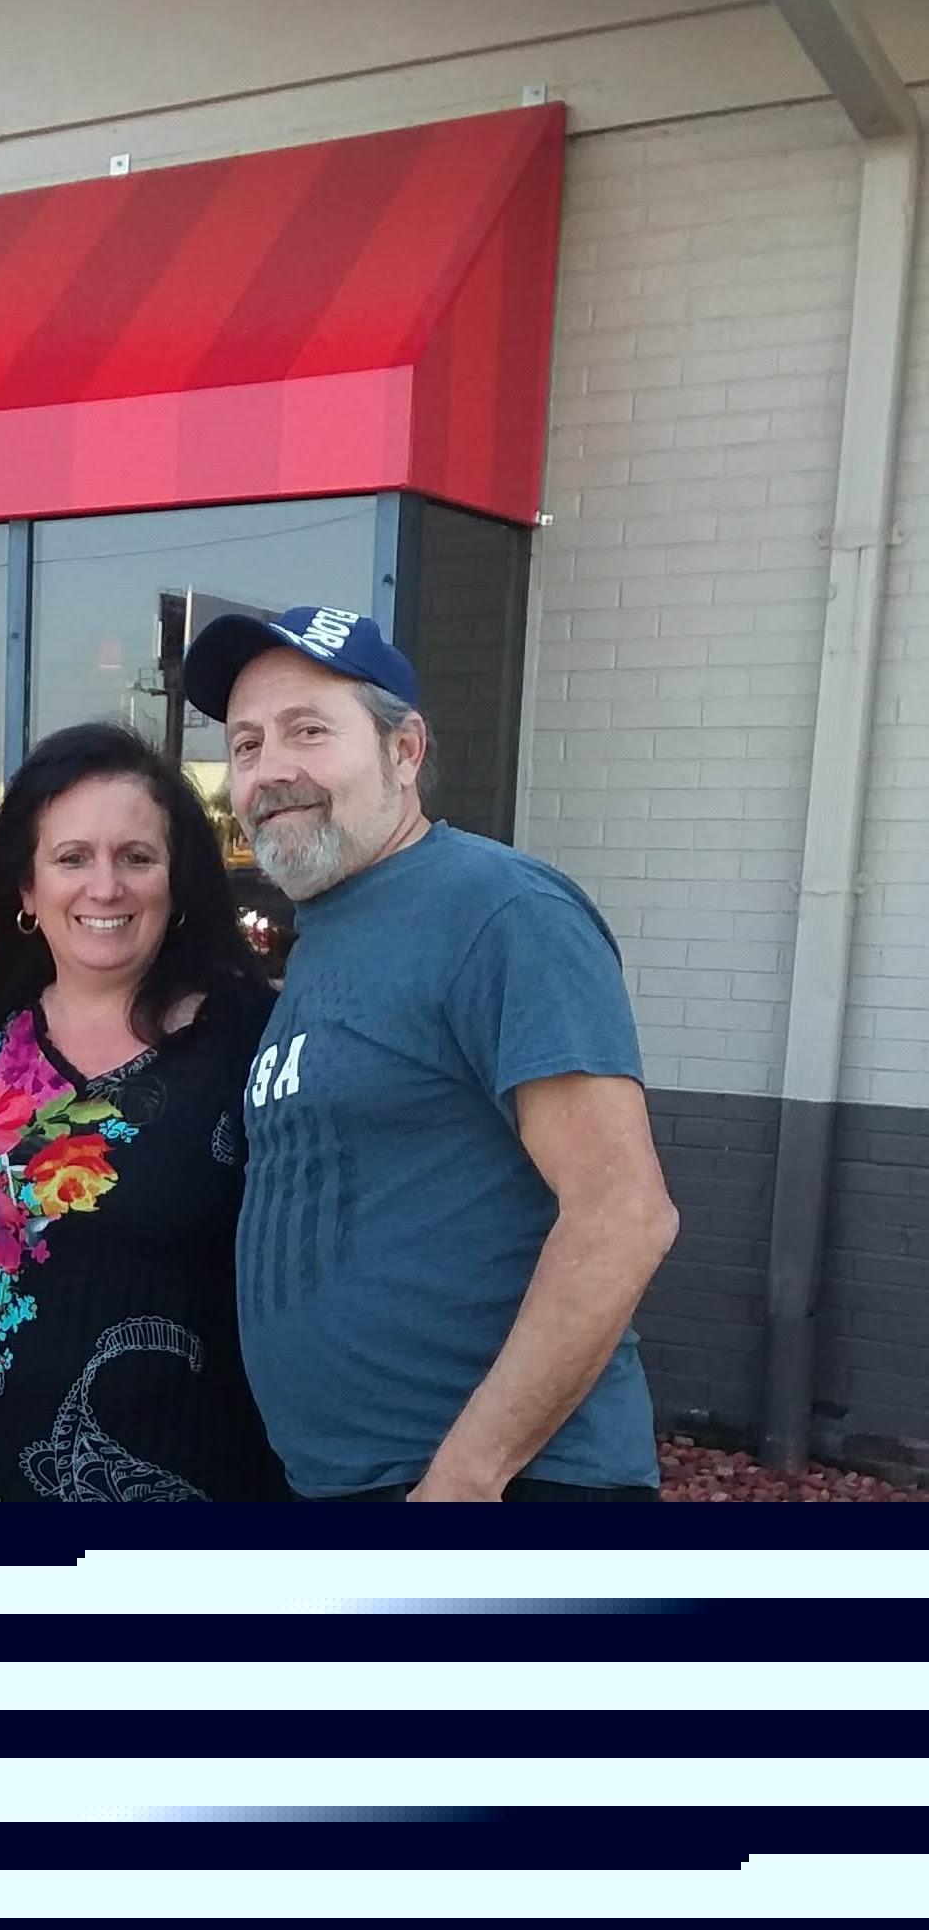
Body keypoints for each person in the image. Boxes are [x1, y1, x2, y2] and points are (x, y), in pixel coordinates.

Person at [180, 603, 680, 1503]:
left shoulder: (498, 911)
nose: (270, 770)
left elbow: (622, 1215)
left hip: (502, 1490)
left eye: (309, 731)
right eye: (248, 744)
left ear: (404, 753)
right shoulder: (332, 929)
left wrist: (463, 1482)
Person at [0, 722, 286, 1503]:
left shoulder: (252, 1043)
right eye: (71, 858)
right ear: (28, 889)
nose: (105, 887)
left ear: (176, 880)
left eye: (136, 857)